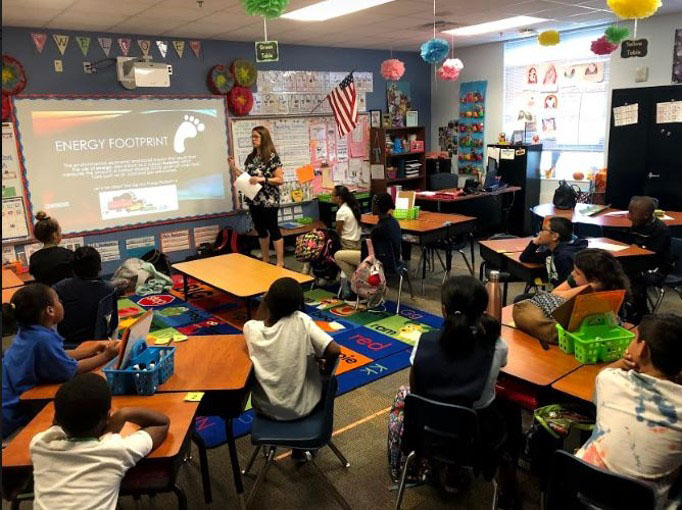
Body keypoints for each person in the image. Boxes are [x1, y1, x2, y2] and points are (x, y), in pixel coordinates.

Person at [388, 276, 518, 504]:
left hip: (427, 433)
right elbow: (502, 367)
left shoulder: (424, 341)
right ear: (483, 311)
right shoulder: (497, 346)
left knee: (404, 394)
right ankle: (510, 489)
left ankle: (439, 467)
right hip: (477, 439)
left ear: (443, 309)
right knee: (510, 412)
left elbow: (416, 387)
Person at [575, 313, 682, 510]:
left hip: (586, 490)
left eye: (634, 338)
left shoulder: (610, 381)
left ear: (642, 349)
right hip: (640, 502)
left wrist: (621, 364)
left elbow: (603, 374)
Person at [30, 373, 169, 510]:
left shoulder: (40, 444)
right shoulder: (116, 450)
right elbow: (162, 424)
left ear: (58, 419)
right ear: (107, 416)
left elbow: (55, 426)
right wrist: (124, 414)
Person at [2, 284, 120, 438]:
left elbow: (57, 357)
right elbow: (71, 370)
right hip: (17, 417)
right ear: (50, 310)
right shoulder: (42, 339)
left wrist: (91, 350)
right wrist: (106, 356)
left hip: (10, 406)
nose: (61, 304)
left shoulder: (29, 333)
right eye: (58, 301)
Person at [243, 277, 341, 423]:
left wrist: (265, 300)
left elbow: (258, 323)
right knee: (320, 365)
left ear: (268, 301)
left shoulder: (250, 328)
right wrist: (325, 373)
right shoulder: (301, 320)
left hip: (266, 410)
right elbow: (334, 350)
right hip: (303, 409)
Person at [228, 126, 285, 266]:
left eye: (256, 137)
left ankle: (280, 262)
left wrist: (263, 179)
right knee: (260, 229)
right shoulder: (251, 157)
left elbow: (280, 179)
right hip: (254, 199)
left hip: (269, 200)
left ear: (263, 138)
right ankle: (266, 259)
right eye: (252, 137)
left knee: (273, 228)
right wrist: (233, 168)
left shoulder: (272, 157)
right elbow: (247, 178)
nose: (253, 139)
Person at [54, 246, 118, 346]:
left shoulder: (59, 287)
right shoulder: (109, 289)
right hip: (99, 344)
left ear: (73, 269)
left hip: (67, 344)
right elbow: (113, 324)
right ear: (99, 267)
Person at [627, 196, 673, 323]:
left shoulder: (660, 230)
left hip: (657, 268)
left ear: (646, 215)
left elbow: (652, 257)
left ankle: (638, 317)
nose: (628, 216)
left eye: (632, 213)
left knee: (633, 280)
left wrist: (636, 249)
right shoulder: (637, 223)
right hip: (638, 262)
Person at [519, 216, 587, 288]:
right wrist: (535, 243)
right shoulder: (554, 251)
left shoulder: (563, 257)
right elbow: (525, 257)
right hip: (558, 293)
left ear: (555, 236)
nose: (539, 233)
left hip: (565, 296)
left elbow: (567, 287)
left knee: (520, 298)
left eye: (543, 230)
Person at [332, 185, 363, 298]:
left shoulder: (342, 212)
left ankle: (353, 284)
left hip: (347, 243)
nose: (331, 197)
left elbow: (338, 232)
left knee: (336, 256)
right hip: (357, 242)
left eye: (333, 195)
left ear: (339, 198)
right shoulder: (352, 207)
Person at [29, 212, 74, 286]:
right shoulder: (67, 254)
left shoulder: (34, 258)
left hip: (46, 295)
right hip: (67, 295)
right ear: (55, 235)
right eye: (60, 231)